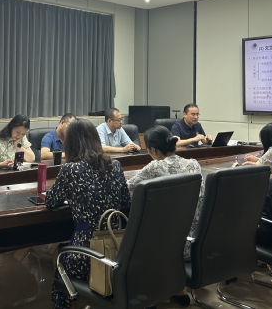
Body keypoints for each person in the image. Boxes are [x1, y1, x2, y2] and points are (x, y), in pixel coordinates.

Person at [46, 119, 131, 309]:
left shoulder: (71, 169)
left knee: (59, 254)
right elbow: (126, 202)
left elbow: (51, 201)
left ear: (70, 143)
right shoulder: (115, 165)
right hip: (117, 248)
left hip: (86, 253)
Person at [127, 126, 204, 260]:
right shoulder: (193, 164)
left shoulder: (155, 166)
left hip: (168, 246)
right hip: (196, 243)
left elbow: (127, 188)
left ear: (153, 150)